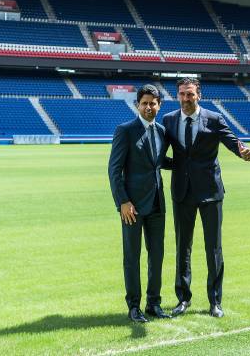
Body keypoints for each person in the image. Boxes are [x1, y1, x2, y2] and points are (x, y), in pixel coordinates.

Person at [162, 77, 250, 318]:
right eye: (181, 94)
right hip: (182, 192)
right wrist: (178, 167)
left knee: (213, 248)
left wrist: (242, 152)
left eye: (190, 94)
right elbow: (161, 154)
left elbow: (232, 141)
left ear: (198, 95)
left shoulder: (213, 119)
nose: (185, 99)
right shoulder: (169, 120)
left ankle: (215, 301)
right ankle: (183, 299)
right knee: (183, 247)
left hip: (211, 192)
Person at [108, 84, 172, 323]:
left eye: (152, 103)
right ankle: (134, 307)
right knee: (132, 257)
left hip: (156, 204)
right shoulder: (125, 130)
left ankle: (154, 303)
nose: (148, 107)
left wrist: (187, 164)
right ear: (138, 105)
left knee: (157, 256)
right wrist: (123, 201)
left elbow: (158, 161)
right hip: (132, 207)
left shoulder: (162, 131)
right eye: (144, 103)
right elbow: (114, 170)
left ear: (159, 105)